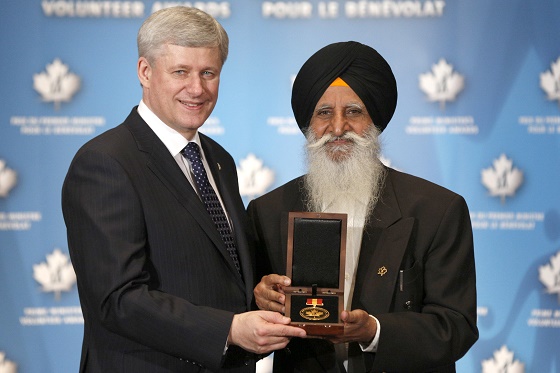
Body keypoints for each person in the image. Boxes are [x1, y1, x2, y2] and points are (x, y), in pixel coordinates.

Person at [61, 6, 305, 373]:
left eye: (209, 73)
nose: (197, 88)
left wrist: (259, 291)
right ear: (145, 72)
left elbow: (215, 270)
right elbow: (118, 299)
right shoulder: (105, 162)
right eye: (181, 72)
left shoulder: (219, 159)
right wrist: (229, 329)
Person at [248, 41, 478, 372]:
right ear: (307, 125)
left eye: (353, 112)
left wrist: (374, 332)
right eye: (324, 113)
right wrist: (260, 300)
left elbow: (456, 328)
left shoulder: (437, 210)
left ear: (375, 121)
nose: (338, 128)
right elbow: (240, 329)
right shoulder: (267, 211)